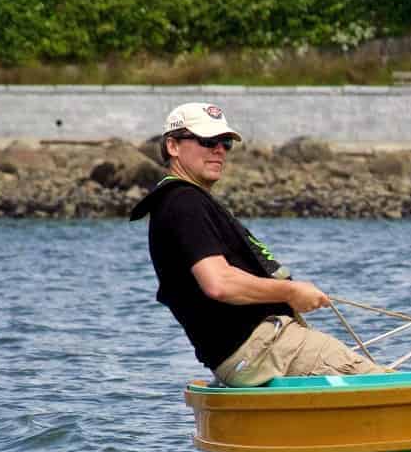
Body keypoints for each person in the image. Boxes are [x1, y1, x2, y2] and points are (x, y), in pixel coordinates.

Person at [130, 102, 385, 386]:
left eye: (225, 143)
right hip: (264, 349)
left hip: (251, 355)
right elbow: (219, 283)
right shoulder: (184, 202)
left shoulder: (177, 201)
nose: (219, 150)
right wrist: (291, 291)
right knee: (387, 386)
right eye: (208, 141)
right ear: (173, 146)